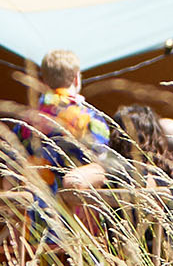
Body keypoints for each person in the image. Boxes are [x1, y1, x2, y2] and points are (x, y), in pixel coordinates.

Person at [29, 48, 112, 177]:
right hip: (76, 192)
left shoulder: (29, 120)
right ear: (76, 79)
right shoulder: (89, 117)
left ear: (44, 81)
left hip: (35, 191)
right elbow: (102, 157)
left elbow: (13, 158)